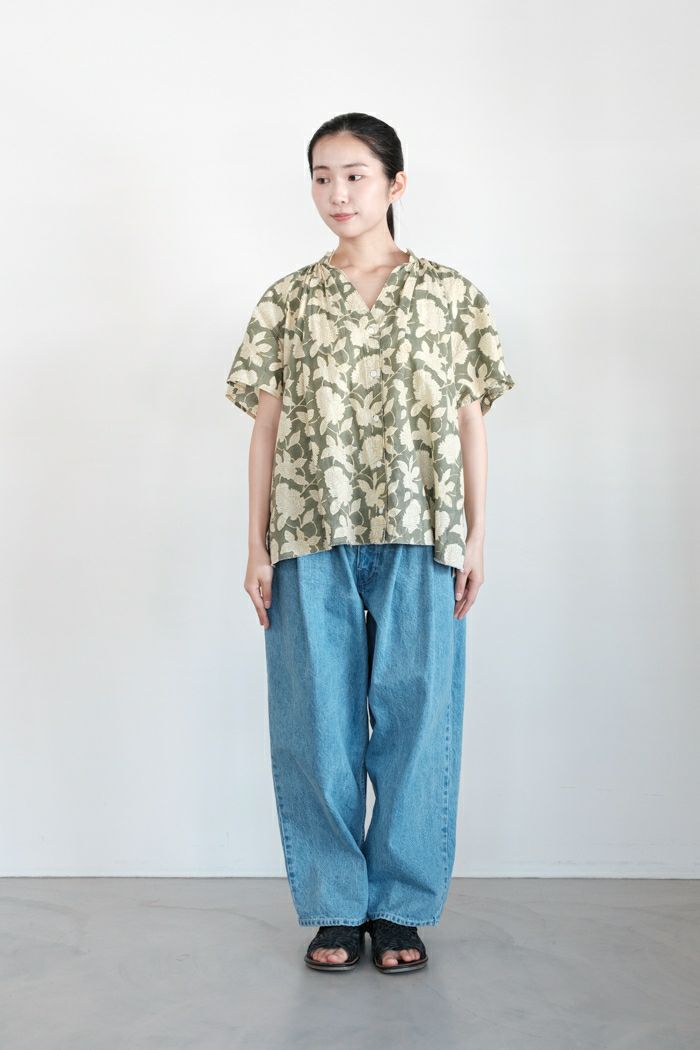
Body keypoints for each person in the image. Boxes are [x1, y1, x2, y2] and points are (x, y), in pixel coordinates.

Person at [224, 112, 515, 974]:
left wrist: (477, 536)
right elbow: (265, 429)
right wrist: (255, 546)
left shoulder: (451, 295)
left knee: (419, 719)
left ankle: (400, 909)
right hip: (310, 529)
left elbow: (471, 421)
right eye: (321, 176)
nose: (336, 193)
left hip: (423, 531)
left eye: (354, 174)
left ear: (395, 183)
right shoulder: (287, 300)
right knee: (317, 722)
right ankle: (335, 907)